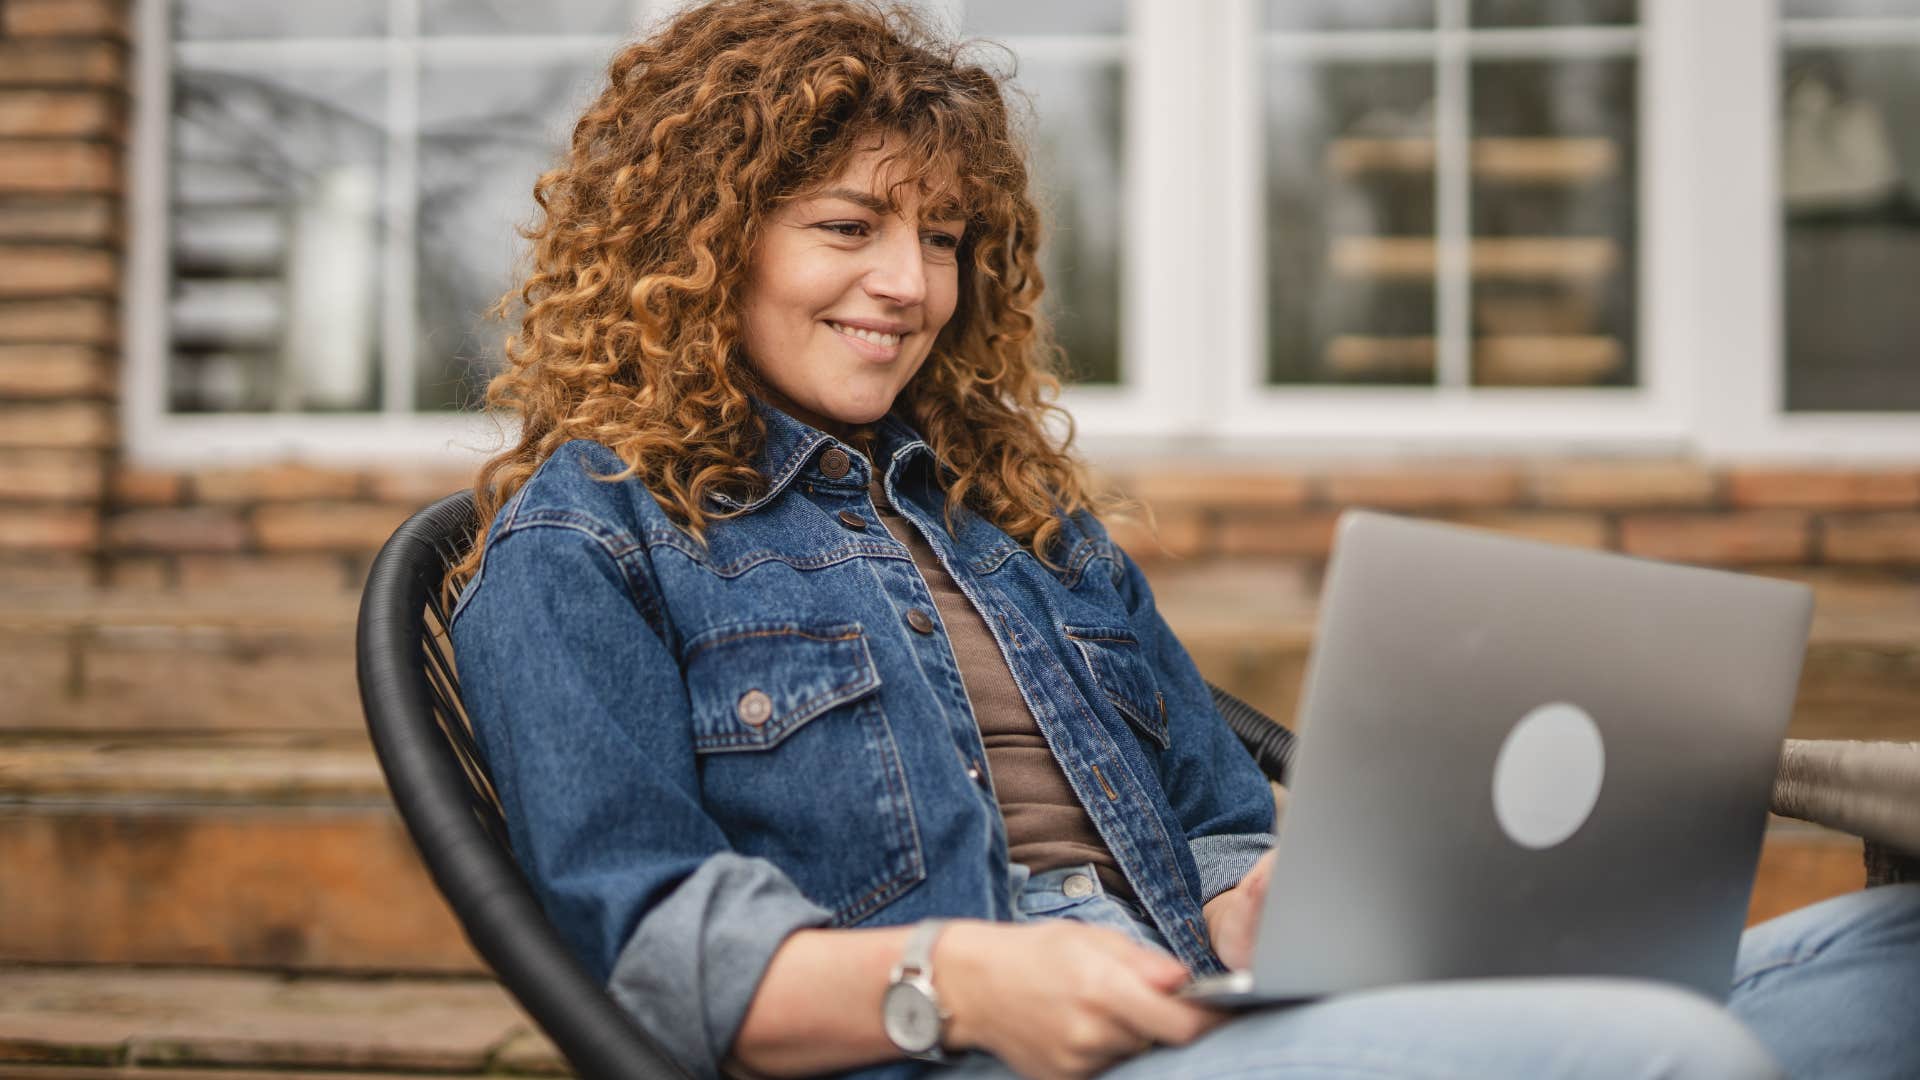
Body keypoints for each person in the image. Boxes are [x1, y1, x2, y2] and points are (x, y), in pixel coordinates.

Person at [446, 2, 1920, 1078]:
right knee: (1669, 1056)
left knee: (1894, 973)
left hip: (1208, 1018)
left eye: (943, 239)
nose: (910, 285)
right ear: (701, 247)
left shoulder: (1017, 525)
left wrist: (1267, 901)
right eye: (849, 229)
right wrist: (968, 980)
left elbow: (1221, 830)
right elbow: (656, 955)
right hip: (975, 1056)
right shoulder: (588, 544)